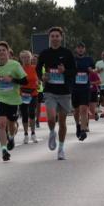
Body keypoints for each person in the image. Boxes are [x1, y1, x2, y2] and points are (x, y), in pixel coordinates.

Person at [36, 27, 76, 161]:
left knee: (63, 122)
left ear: (61, 38)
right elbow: (37, 69)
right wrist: (42, 77)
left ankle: (61, 148)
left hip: (64, 92)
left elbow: (74, 71)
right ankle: (52, 132)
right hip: (50, 91)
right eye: (52, 36)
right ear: (49, 38)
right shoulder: (45, 53)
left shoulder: (67, 53)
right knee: (52, 118)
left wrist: (64, 71)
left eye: (57, 36)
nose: (54, 38)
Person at [0, 41, 27, 162]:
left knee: (11, 124)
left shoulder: (15, 65)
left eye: (3, 50)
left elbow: (25, 81)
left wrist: (12, 79)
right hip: (0, 98)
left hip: (13, 99)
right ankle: (4, 150)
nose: (1, 52)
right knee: (1, 123)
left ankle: (11, 137)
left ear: (8, 52)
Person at [71, 42, 95, 141]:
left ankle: (83, 130)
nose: (80, 49)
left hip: (85, 88)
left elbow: (93, 70)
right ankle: (78, 124)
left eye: (82, 48)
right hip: (74, 88)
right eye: (79, 48)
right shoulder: (72, 60)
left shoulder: (89, 60)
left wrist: (91, 70)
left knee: (84, 109)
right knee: (76, 111)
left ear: (84, 50)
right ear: (76, 49)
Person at [19, 50, 40, 144]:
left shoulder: (35, 68)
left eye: (27, 57)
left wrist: (38, 83)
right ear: (21, 59)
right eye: (23, 57)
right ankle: (26, 134)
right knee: (24, 114)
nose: (26, 59)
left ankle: (33, 133)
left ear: (31, 58)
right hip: (22, 94)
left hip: (33, 93)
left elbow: (38, 79)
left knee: (32, 112)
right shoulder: (18, 68)